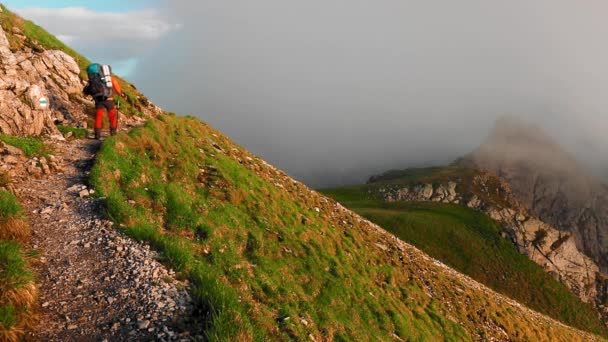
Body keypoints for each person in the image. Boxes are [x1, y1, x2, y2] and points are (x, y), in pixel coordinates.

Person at [83, 63, 125, 139]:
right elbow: (117, 89)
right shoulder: (110, 78)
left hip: (98, 101)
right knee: (113, 116)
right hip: (109, 100)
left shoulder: (93, 80)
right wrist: (121, 94)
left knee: (98, 117)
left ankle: (97, 135)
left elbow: (86, 91)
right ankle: (113, 133)